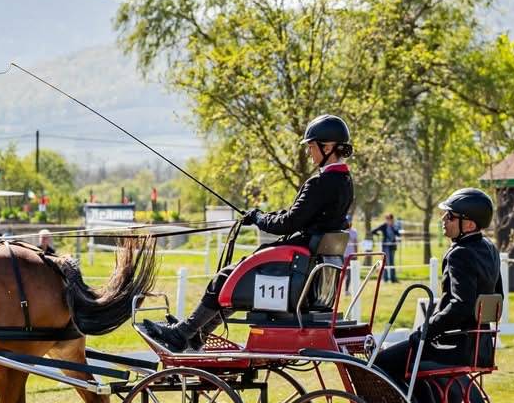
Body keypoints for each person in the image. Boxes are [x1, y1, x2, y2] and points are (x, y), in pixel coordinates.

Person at [142, 114, 355, 352]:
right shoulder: (344, 181)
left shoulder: (319, 183)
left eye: (312, 147)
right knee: (234, 281)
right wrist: (263, 214)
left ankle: (182, 334)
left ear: (327, 147)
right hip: (313, 264)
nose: (309, 153)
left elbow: (286, 224)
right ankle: (196, 332)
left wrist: (258, 218)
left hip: (297, 261)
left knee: (224, 279)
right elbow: (300, 214)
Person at [373, 188, 502, 388]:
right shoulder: (490, 249)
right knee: (407, 357)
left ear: (468, 224)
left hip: (455, 346)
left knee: (380, 363)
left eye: (450, 216)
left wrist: (427, 330)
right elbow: (497, 297)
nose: (443, 218)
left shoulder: (460, 254)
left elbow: (461, 305)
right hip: (481, 347)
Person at [371, 213, 401, 282]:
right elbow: (373, 231)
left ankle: (393, 278)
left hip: (392, 247)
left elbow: (398, 234)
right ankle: (385, 278)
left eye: (391, 219)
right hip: (385, 247)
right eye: (388, 219)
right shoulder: (384, 226)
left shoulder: (394, 226)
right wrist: (378, 235)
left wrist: (394, 228)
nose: (389, 221)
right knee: (385, 262)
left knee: (392, 262)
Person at [343, 221, 359, 295]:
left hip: (352, 256)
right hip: (345, 256)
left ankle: (349, 290)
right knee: (345, 273)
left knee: (351, 274)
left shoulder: (354, 231)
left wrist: (356, 254)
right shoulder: (343, 232)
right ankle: (345, 290)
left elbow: (356, 243)